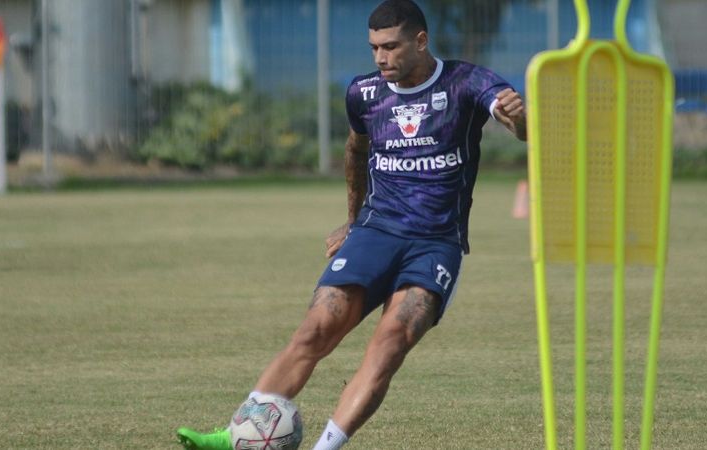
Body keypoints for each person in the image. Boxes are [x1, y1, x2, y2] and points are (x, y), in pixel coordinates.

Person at [177, 0, 526, 448]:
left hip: (436, 243)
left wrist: (518, 120)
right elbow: (356, 152)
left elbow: (515, 121)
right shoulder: (363, 93)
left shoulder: (466, 82)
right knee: (316, 328)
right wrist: (351, 220)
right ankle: (235, 434)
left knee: (389, 344)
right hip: (375, 232)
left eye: (390, 46)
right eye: (374, 47)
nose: (380, 57)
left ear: (421, 41)